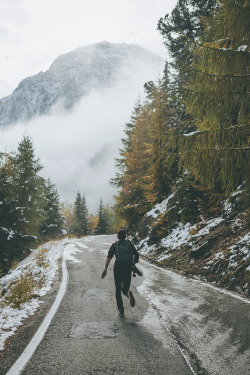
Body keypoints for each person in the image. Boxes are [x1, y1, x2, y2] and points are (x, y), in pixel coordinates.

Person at [102, 229, 139, 316]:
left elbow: (109, 257)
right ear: (125, 236)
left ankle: (121, 310)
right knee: (125, 289)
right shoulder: (129, 244)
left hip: (118, 270)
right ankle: (128, 294)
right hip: (127, 269)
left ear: (118, 237)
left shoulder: (115, 245)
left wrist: (105, 268)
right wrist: (133, 263)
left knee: (118, 290)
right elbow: (136, 254)